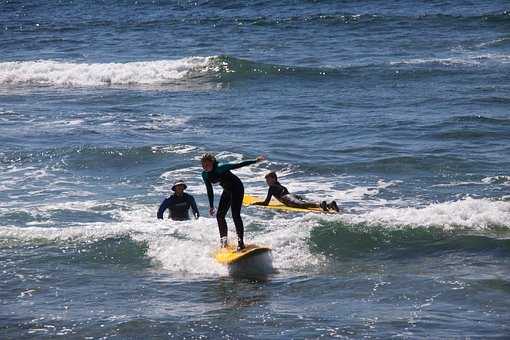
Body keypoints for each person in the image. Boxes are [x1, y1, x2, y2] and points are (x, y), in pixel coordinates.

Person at [201, 153, 265, 250]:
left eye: (207, 165)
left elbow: (238, 165)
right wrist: (211, 206)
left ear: (212, 162)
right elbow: (209, 190)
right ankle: (224, 241)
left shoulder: (220, 168)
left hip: (237, 188)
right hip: (227, 190)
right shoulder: (205, 175)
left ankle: (241, 242)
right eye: (203, 165)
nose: (205, 167)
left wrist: (255, 160)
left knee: (235, 214)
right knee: (219, 215)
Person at [253, 171, 340, 212]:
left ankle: (321, 205)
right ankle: (329, 205)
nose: (267, 182)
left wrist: (255, 204)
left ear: (273, 179)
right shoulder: (280, 185)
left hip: (287, 198)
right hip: (291, 195)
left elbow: (266, 203)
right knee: (303, 203)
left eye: (268, 180)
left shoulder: (272, 188)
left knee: (301, 205)